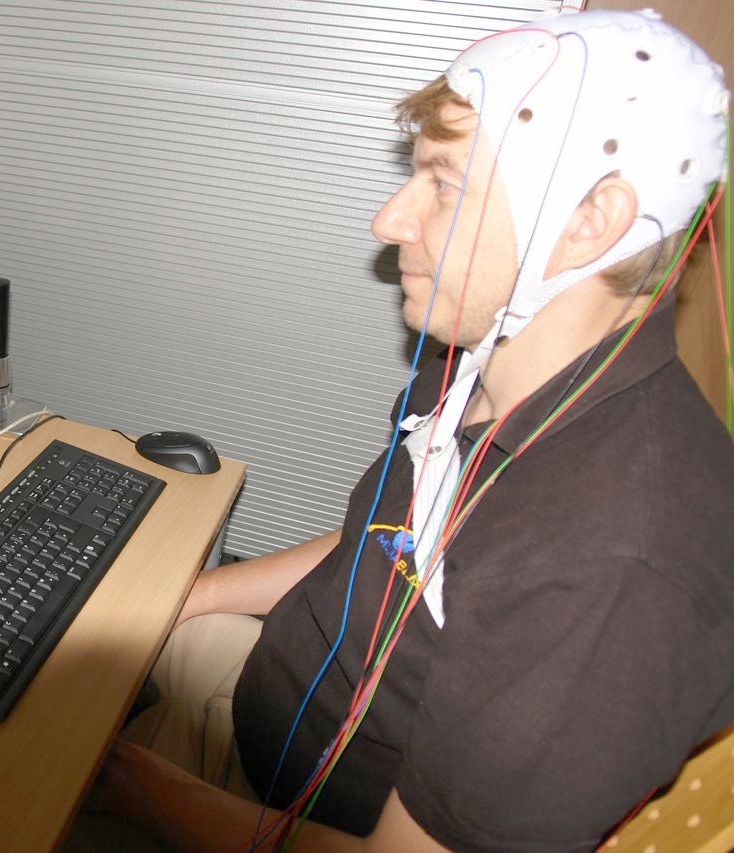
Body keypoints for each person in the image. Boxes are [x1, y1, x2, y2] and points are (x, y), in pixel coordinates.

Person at [81, 9, 734, 852]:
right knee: (60, 638)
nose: (389, 219)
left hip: (292, 817)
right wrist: (190, 598)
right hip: (265, 702)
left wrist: (125, 783)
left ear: (589, 221)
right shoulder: (485, 360)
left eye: (444, 184)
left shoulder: (608, 567)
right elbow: (387, 544)